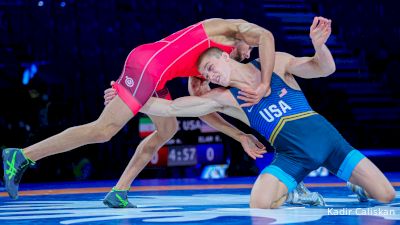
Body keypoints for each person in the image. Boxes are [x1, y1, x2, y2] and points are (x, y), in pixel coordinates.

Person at [132, 17, 396, 208]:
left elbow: (323, 69)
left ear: (226, 57)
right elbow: (170, 107)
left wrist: (319, 45)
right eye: (206, 74)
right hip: (292, 157)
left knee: (386, 196)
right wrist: (129, 97)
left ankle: (357, 184)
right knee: (259, 203)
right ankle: (295, 191)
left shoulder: (276, 63)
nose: (211, 76)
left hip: (329, 142)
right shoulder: (223, 98)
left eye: (211, 66)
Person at [2, 18, 275, 203]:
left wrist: (239, 136)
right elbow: (265, 35)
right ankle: (22, 156)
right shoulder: (227, 29)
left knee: (168, 128)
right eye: (248, 48)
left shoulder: (208, 70)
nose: (248, 53)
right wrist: (264, 84)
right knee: (104, 130)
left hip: (154, 74)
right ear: (243, 38)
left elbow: (203, 110)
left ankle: (119, 192)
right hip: (148, 65)